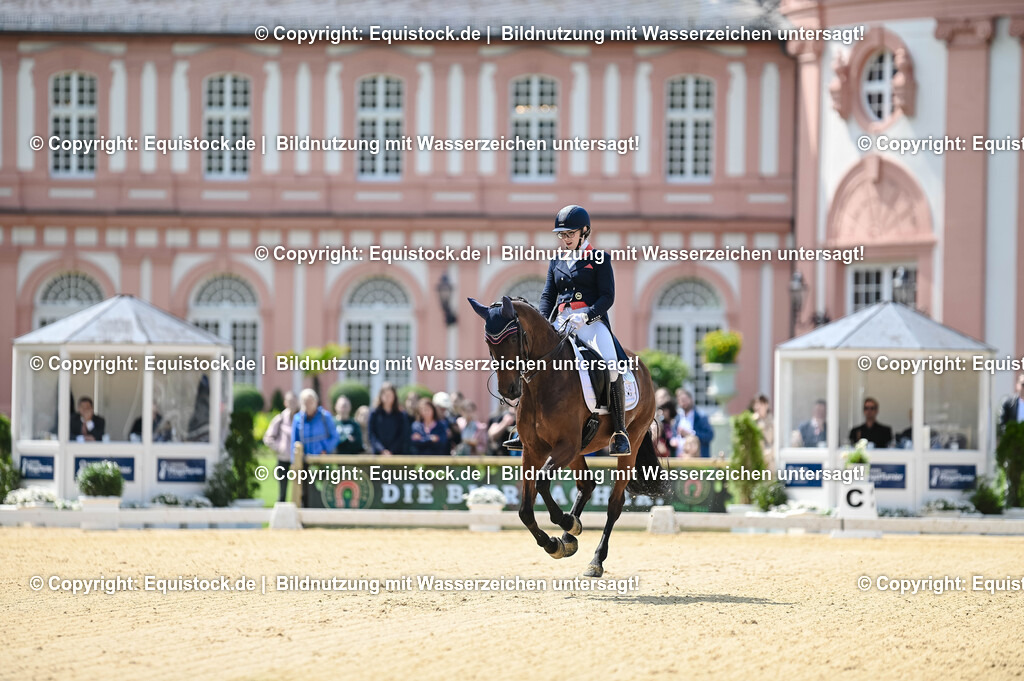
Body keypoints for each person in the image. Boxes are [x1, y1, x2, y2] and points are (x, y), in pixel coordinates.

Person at [504, 204, 630, 455]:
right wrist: (542, 323)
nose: (565, 239)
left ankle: (619, 431)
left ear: (585, 231)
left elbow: (607, 296)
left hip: (590, 323)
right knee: (532, 362)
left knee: (612, 364)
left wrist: (587, 314)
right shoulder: (557, 260)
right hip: (560, 322)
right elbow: (548, 296)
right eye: (562, 235)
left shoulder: (600, 259)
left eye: (570, 233)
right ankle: (525, 427)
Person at [263, 391, 299, 502]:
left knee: (300, 488)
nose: (292, 404)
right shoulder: (280, 419)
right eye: (290, 401)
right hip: (283, 458)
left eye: (294, 401)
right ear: (285, 403)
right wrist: (279, 448)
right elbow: (268, 438)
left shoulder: (301, 418)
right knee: (282, 490)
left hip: (298, 459)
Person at [368, 382, 410, 456]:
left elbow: (402, 435)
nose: (387, 397)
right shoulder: (374, 414)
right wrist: (381, 450)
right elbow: (372, 435)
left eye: (390, 395)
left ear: (394, 396)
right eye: (385, 395)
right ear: (380, 396)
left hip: (396, 454)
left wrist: (391, 450)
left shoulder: (401, 415)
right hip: (378, 455)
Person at [671, 388, 713, 457]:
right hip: (679, 459)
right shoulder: (677, 418)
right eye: (680, 400)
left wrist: (691, 433)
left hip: (698, 460)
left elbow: (709, 435)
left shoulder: (701, 417)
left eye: (685, 399)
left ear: (691, 399)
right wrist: (673, 440)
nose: (683, 402)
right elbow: (674, 435)